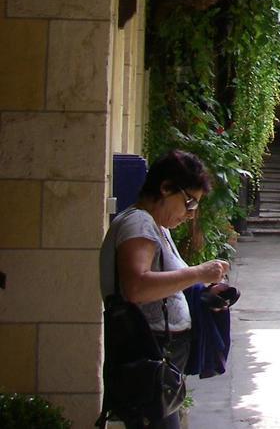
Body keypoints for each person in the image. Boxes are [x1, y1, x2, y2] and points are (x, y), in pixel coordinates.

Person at [99, 150, 230, 429]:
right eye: (188, 203)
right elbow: (135, 287)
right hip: (147, 357)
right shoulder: (139, 223)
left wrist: (203, 289)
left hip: (159, 358)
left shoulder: (156, 226)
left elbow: (169, 283)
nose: (189, 214)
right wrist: (198, 272)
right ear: (166, 187)